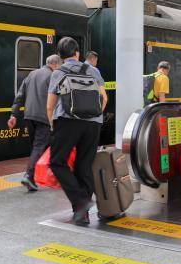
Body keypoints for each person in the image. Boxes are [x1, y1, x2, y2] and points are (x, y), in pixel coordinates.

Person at [47, 37, 108, 225]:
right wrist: (95, 115)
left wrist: (52, 125)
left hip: (68, 121)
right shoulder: (93, 70)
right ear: (77, 53)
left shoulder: (58, 73)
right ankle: (81, 214)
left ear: (60, 56)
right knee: (84, 165)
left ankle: (81, 203)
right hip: (93, 123)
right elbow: (104, 98)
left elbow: (50, 106)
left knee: (57, 162)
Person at [8, 54, 62, 192]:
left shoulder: (32, 74)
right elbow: (58, 98)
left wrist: (14, 114)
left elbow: (20, 96)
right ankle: (29, 175)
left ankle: (36, 177)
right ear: (55, 65)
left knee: (37, 147)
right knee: (40, 147)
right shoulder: (53, 76)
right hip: (44, 117)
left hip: (29, 116)